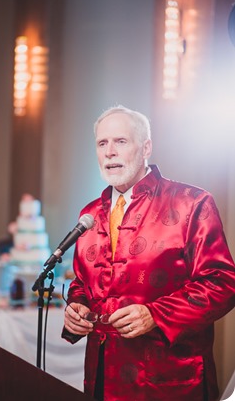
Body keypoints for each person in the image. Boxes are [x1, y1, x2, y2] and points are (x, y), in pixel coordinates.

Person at [62, 105, 235, 401]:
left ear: (146, 148)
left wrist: (156, 314)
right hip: (101, 379)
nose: (110, 152)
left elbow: (222, 283)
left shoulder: (191, 203)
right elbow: (82, 282)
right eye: (102, 143)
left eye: (121, 141)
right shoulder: (89, 214)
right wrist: (76, 307)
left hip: (168, 380)